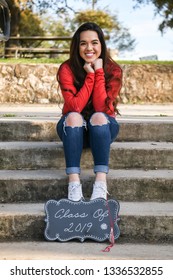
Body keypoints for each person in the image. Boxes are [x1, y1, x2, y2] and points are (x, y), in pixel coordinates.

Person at [56, 22, 122, 202]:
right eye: (83, 43)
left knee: (99, 116)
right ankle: (74, 184)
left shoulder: (113, 70)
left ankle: (101, 183)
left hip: (103, 130)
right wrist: (90, 76)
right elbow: (74, 106)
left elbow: (102, 107)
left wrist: (99, 71)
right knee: (74, 117)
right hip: (72, 129)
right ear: (77, 46)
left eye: (94, 42)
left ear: (101, 45)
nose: (89, 48)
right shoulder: (67, 69)